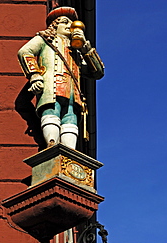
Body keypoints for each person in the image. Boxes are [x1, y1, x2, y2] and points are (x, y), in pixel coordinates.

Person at [18, 6, 104, 149]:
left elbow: (97, 72)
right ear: (55, 25)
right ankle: (52, 143)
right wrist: (35, 75)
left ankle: (69, 150)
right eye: (65, 22)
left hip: (72, 93)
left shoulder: (76, 52)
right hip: (52, 87)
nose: (69, 26)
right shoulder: (45, 40)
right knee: (52, 111)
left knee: (70, 118)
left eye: (71, 24)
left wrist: (85, 48)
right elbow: (25, 52)